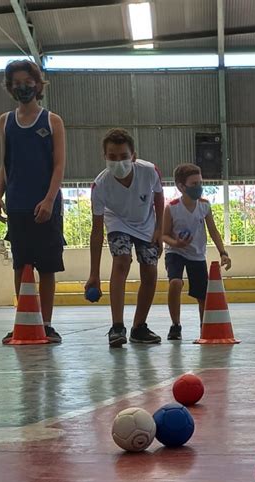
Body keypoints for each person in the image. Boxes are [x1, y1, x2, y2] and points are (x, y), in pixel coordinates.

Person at [0, 59, 66, 344]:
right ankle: (24, 320)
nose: (23, 87)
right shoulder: (5, 121)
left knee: (47, 267)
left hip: (46, 206)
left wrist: (49, 200)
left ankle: (45, 324)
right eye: (17, 83)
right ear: (10, 88)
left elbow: (59, 166)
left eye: (28, 82)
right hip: (17, 204)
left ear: (38, 84)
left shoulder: (52, 121)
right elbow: (5, 163)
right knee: (21, 265)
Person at [86, 128, 164, 348]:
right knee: (121, 261)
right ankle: (117, 326)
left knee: (150, 268)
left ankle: (139, 327)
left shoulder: (150, 172)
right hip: (117, 221)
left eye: (123, 156)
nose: (118, 162)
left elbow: (159, 197)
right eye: (112, 157)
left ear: (134, 156)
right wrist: (94, 274)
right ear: (105, 157)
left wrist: (160, 229)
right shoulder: (100, 185)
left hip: (146, 222)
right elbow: (96, 230)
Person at [163, 163, 231, 341]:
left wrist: (223, 252)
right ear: (181, 186)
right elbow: (163, 235)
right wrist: (176, 243)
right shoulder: (172, 208)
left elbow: (213, 230)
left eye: (200, 183)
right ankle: (175, 325)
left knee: (202, 295)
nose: (198, 187)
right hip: (175, 252)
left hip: (197, 254)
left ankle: (204, 327)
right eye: (194, 184)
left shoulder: (204, 206)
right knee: (175, 283)